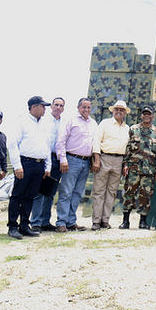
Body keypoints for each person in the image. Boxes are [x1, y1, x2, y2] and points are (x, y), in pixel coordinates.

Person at [6, 97, 51, 239]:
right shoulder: (22, 121)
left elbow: (47, 146)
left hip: (39, 164)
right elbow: (13, 145)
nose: (45, 109)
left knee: (30, 196)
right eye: (43, 106)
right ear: (34, 107)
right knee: (17, 196)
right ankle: (12, 226)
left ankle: (24, 225)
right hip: (24, 163)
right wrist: (17, 166)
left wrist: (47, 166)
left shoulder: (45, 124)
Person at [55, 98, 97, 233]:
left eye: (88, 107)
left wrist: (93, 161)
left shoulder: (93, 123)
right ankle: (61, 222)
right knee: (66, 192)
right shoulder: (71, 120)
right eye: (83, 107)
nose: (86, 110)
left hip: (86, 162)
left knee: (77, 193)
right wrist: (63, 159)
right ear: (78, 108)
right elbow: (61, 141)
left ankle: (71, 221)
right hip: (71, 160)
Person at [91, 100, 130, 230]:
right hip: (104, 158)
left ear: (125, 113)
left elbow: (127, 148)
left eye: (121, 110)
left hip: (119, 161)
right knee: (99, 191)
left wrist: (125, 164)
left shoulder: (127, 128)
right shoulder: (105, 123)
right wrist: (97, 159)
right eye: (116, 109)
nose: (119, 111)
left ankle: (105, 220)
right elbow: (96, 141)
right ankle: (96, 221)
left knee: (112, 192)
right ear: (112, 111)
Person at [122, 105, 156, 230]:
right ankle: (125, 221)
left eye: (149, 114)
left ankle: (143, 221)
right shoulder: (133, 129)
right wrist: (125, 164)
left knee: (145, 195)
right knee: (129, 193)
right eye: (144, 114)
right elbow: (128, 148)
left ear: (152, 116)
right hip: (133, 168)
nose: (146, 116)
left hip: (149, 170)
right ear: (141, 116)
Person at [30, 97, 65, 232]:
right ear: (51, 106)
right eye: (56, 104)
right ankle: (36, 222)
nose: (58, 107)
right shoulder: (43, 121)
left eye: (61, 105)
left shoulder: (64, 123)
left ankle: (45, 221)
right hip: (44, 158)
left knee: (50, 191)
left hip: (57, 159)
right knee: (39, 191)